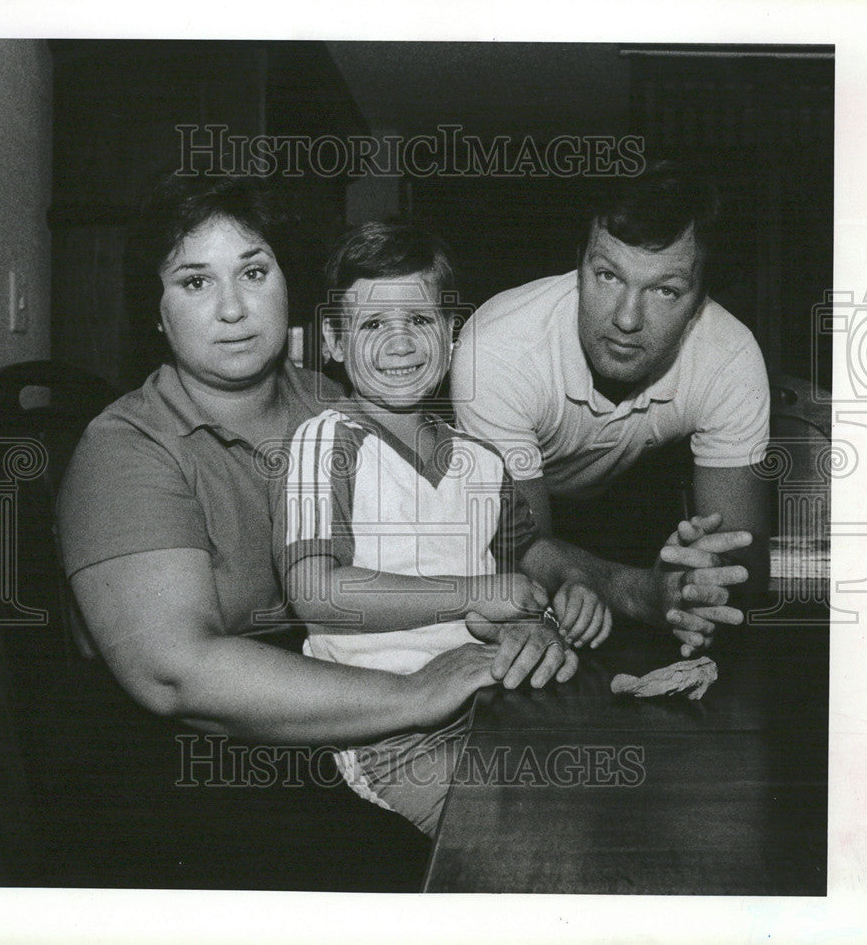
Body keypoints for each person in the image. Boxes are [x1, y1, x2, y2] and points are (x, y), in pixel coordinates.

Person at [271, 220, 753, 835]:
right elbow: (315, 590)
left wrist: (556, 611)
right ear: (333, 342)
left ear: (449, 336)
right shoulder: (324, 440)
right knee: (524, 835)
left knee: (639, 785)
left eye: (419, 321)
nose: (399, 344)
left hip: (492, 701)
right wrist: (476, 595)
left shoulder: (479, 458)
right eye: (371, 325)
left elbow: (517, 576)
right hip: (388, 735)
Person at [450, 160, 771, 655]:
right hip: (509, 523)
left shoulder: (729, 357)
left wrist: (697, 587)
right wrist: (645, 595)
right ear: (576, 265)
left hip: (630, 510)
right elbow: (519, 550)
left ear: (700, 299)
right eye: (607, 275)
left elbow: (740, 563)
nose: (626, 318)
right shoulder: (496, 349)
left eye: (666, 290)